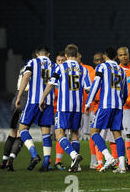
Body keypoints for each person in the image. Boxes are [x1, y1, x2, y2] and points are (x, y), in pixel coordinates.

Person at [39, 44, 91, 172]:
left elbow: (51, 84)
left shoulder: (60, 67)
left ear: (66, 56)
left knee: (59, 134)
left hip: (64, 107)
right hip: (78, 107)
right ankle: (76, 166)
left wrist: (42, 98)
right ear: (77, 54)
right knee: (74, 134)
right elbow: (88, 89)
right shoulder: (83, 69)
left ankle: (74, 155)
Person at [85, 47, 128, 173]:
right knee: (117, 135)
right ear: (116, 56)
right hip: (118, 106)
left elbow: (96, 84)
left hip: (105, 105)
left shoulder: (102, 67)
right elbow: (125, 92)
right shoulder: (121, 70)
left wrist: (88, 101)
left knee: (94, 132)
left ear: (105, 56)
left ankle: (108, 157)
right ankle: (122, 165)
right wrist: (121, 102)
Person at [14, 45, 55, 171]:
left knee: (22, 129)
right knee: (46, 133)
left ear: (37, 54)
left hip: (33, 101)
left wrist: (19, 96)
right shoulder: (54, 65)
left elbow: (26, 77)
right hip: (48, 102)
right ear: (48, 54)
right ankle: (46, 163)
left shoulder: (32, 62)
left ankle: (34, 154)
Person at [0, 64, 30, 171]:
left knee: (13, 132)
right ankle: (10, 161)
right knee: (21, 132)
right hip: (25, 98)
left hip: (16, 97)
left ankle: (4, 160)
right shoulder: (35, 67)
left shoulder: (23, 68)